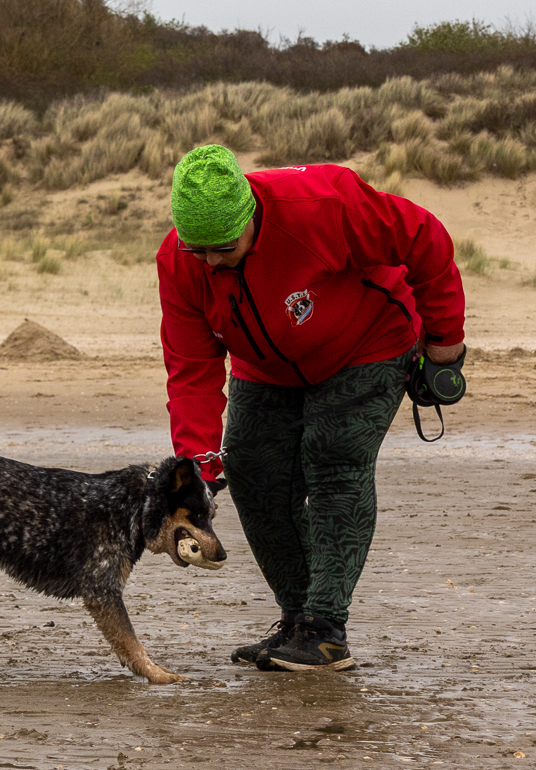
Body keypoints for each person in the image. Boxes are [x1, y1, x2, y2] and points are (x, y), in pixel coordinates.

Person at [156, 144, 467, 671]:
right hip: (265, 366)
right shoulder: (178, 262)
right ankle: (298, 621)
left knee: (333, 457)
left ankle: (324, 630)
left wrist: (444, 342)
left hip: (369, 340)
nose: (209, 261)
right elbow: (192, 371)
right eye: (197, 248)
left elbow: (425, 239)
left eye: (223, 246)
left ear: (250, 217)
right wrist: (195, 473)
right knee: (252, 472)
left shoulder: (324, 204)